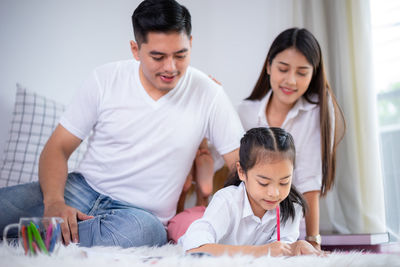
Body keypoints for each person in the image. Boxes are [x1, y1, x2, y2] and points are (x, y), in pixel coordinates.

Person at [0, 0, 244, 248]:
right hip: (81, 189)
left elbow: (241, 164)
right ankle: (47, 238)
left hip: (139, 215)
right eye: (158, 57)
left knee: (142, 234)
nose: (170, 67)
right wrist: (54, 203)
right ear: (135, 49)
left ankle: (23, 243)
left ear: (190, 43)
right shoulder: (105, 79)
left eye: (180, 55)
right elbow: (57, 148)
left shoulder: (209, 94)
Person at [237, 28, 345, 249]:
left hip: (290, 227)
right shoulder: (245, 112)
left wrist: (313, 240)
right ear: (269, 66)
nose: (291, 81)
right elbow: (223, 164)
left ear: (314, 73)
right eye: (283, 69)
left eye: (302, 72)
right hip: (243, 224)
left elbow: (309, 180)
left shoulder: (318, 112)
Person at [179, 127, 322, 257]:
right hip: (188, 224)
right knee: (183, 222)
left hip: (211, 219)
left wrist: (295, 246)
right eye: (264, 183)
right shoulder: (226, 201)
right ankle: (200, 193)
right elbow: (194, 248)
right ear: (241, 172)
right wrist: (262, 251)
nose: (275, 193)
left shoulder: (291, 208)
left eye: (284, 182)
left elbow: (280, 253)